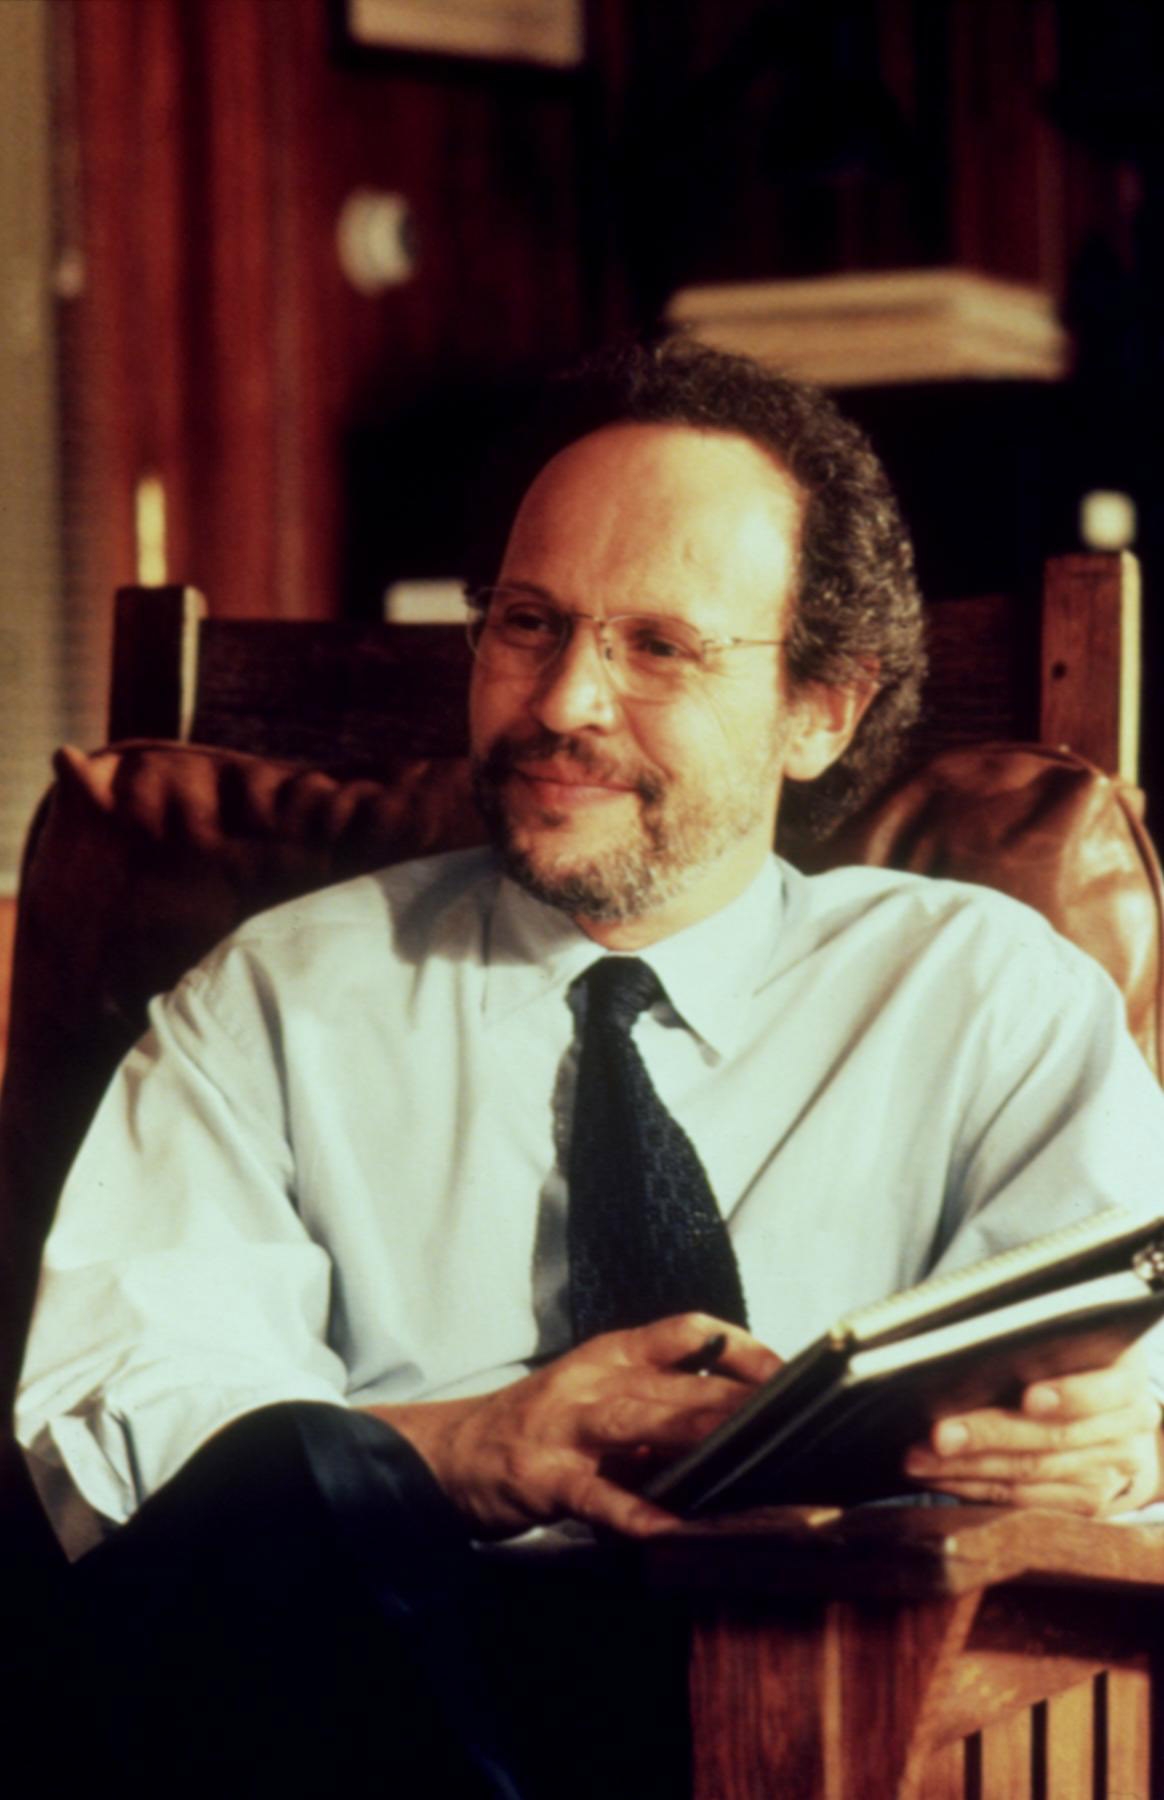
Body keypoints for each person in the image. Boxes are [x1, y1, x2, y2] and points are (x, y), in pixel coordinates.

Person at [14, 338, 1164, 1795]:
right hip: (375, 1694)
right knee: (296, 1498)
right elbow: (121, 1440)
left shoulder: (983, 994)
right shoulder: (278, 998)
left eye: (658, 647)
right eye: (526, 623)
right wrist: (470, 1446)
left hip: (839, 1697)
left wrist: (1109, 1455)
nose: (563, 703)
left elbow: (1125, 1383)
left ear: (824, 709)